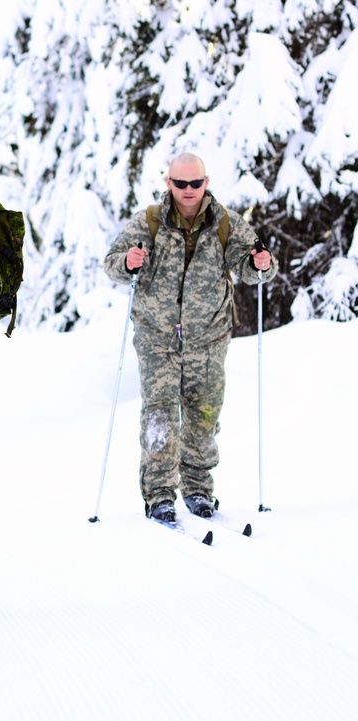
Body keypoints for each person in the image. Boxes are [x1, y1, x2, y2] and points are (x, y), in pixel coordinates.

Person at [103, 153, 277, 523]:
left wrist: (261, 263)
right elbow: (113, 263)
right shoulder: (150, 220)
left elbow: (252, 264)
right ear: (168, 183)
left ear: (206, 183)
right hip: (157, 337)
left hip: (208, 337)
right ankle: (160, 495)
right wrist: (128, 262)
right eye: (180, 183)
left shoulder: (224, 222)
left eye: (194, 183)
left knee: (204, 415)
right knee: (160, 415)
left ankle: (198, 490)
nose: (188, 190)